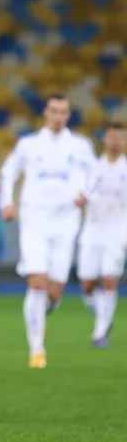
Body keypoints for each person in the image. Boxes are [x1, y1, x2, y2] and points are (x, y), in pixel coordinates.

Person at [0, 94, 98, 369]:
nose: (58, 116)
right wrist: (7, 201)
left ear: (68, 115)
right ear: (46, 112)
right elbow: (9, 172)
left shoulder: (80, 146)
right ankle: (37, 348)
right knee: (37, 283)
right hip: (35, 220)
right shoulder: (29, 144)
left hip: (66, 223)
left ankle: (42, 314)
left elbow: (96, 175)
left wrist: (87, 194)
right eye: (54, 111)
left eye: (64, 111)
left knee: (54, 292)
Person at [77, 122, 127, 348]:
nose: (116, 141)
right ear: (105, 138)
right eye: (112, 136)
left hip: (117, 232)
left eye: (120, 137)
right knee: (87, 284)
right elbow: (80, 196)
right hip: (92, 230)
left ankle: (99, 334)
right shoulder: (92, 168)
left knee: (109, 278)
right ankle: (103, 318)